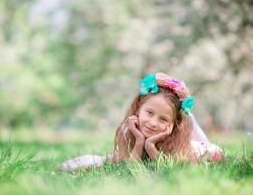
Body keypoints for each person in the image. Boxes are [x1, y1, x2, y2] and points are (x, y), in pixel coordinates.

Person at [60, 72, 223, 172]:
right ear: (138, 108)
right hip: (138, 144)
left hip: (194, 148)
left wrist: (151, 147)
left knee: (212, 151)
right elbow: (128, 168)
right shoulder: (128, 130)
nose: (153, 122)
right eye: (149, 113)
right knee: (104, 160)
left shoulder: (180, 143)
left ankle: (190, 119)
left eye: (163, 119)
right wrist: (139, 141)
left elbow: (168, 172)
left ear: (173, 124)